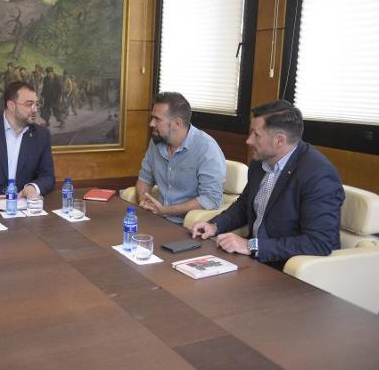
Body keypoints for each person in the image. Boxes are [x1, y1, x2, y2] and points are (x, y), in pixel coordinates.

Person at [191, 99, 345, 270]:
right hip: (253, 262)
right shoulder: (261, 162)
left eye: (256, 135)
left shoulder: (318, 175)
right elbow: (244, 205)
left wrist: (252, 246)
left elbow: (320, 242)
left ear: (279, 140)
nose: (248, 141)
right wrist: (215, 226)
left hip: (287, 270)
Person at [136, 92, 226, 224]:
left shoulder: (206, 148)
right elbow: (144, 179)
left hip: (188, 226)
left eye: (157, 119)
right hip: (157, 219)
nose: (151, 123)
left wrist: (166, 210)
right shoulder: (156, 142)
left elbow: (211, 199)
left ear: (177, 123)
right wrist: (144, 200)